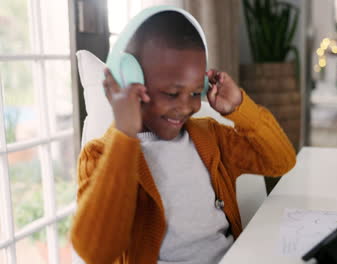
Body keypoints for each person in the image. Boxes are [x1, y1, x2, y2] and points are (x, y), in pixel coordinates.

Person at [70, 10, 296, 264]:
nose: (186, 107)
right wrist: (124, 135)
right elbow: (95, 249)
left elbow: (281, 160)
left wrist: (239, 107)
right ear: (129, 80)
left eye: (194, 93)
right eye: (171, 93)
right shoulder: (101, 155)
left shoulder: (211, 136)